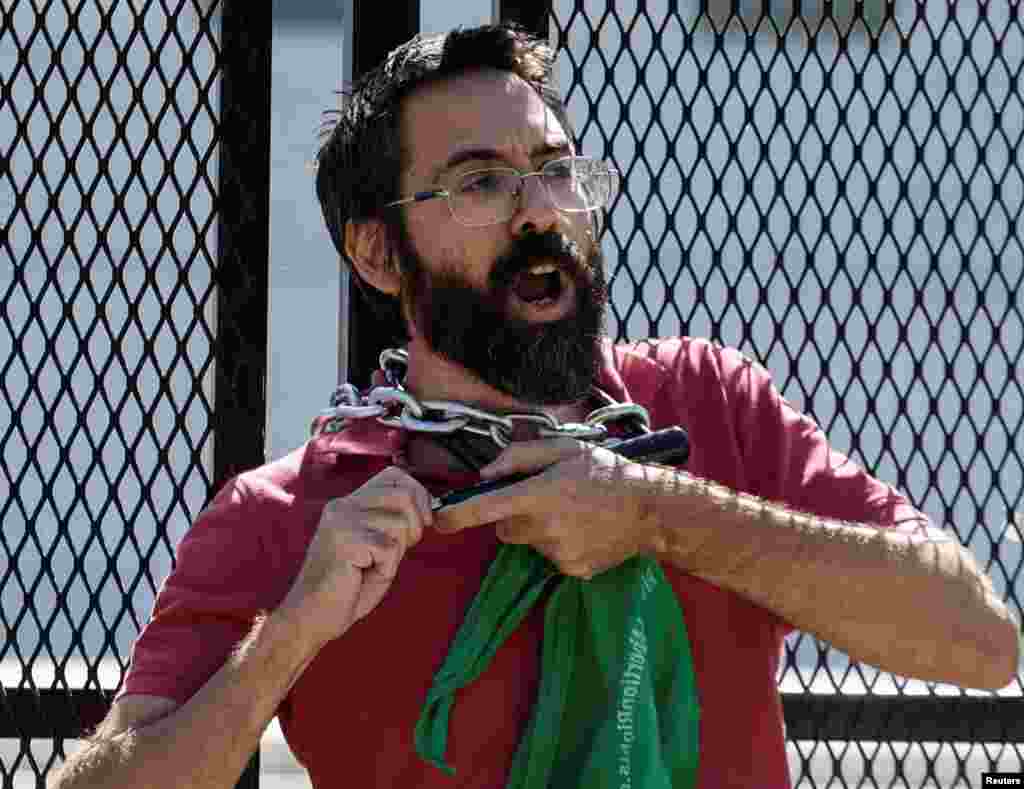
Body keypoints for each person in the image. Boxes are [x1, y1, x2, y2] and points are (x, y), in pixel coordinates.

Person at [50, 23, 1018, 789]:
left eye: (555, 171)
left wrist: (658, 515)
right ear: (378, 254)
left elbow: (978, 639)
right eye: (480, 182)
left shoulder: (708, 407)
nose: (541, 213)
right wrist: (293, 634)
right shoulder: (295, 520)